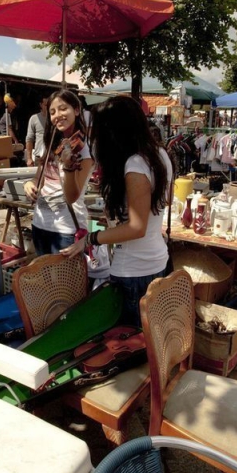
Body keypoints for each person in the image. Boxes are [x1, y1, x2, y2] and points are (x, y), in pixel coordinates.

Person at [61, 96, 172, 327]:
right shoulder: (159, 155)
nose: (95, 138)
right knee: (146, 339)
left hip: (134, 271)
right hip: (156, 260)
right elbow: (164, 201)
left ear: (114, 132)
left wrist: (91, 239)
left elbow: (136, 227)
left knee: (128, 341)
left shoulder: (135, 165)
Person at [24, 90, 94, 255]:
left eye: (63, 109)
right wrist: (30, 184)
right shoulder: (47, 145)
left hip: (67, 229)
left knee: (64, 281)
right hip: (40, 224)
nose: (57, 115)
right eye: (52, 112)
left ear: (76, 110)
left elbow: (72, 196)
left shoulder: (84, 150)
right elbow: (39, 178)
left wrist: (69, 166)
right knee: (45, 278)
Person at [25, 95, 49, 166]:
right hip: (39, 156)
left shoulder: (55, 118)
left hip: (53, 156)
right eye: (46, 105)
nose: (48, 107)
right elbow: (29, 139)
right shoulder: (34, 118)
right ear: (40, 104)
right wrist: (29, 158)